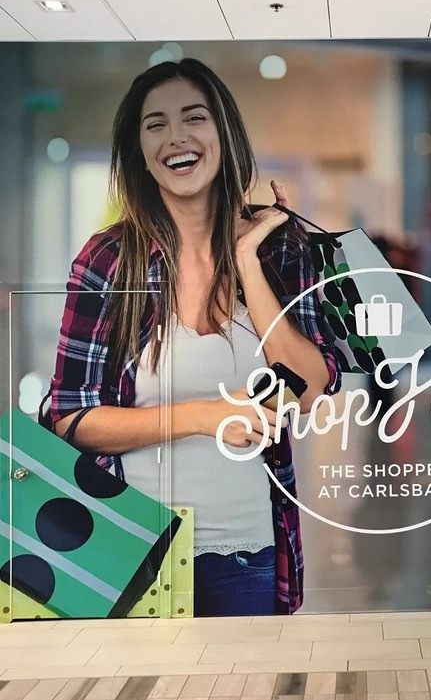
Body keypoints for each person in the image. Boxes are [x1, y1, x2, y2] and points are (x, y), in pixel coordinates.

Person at [44, 58, 342, 616]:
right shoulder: (108, 260)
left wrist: (247, 262)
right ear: (139, 149)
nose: (176, 137)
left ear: (223, 132)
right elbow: (70, 417)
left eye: (194, 117)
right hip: (132, 548)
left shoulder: (279, 246)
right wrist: (204, 415)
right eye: (155, 124)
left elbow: (311, 387)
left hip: (247, 549)